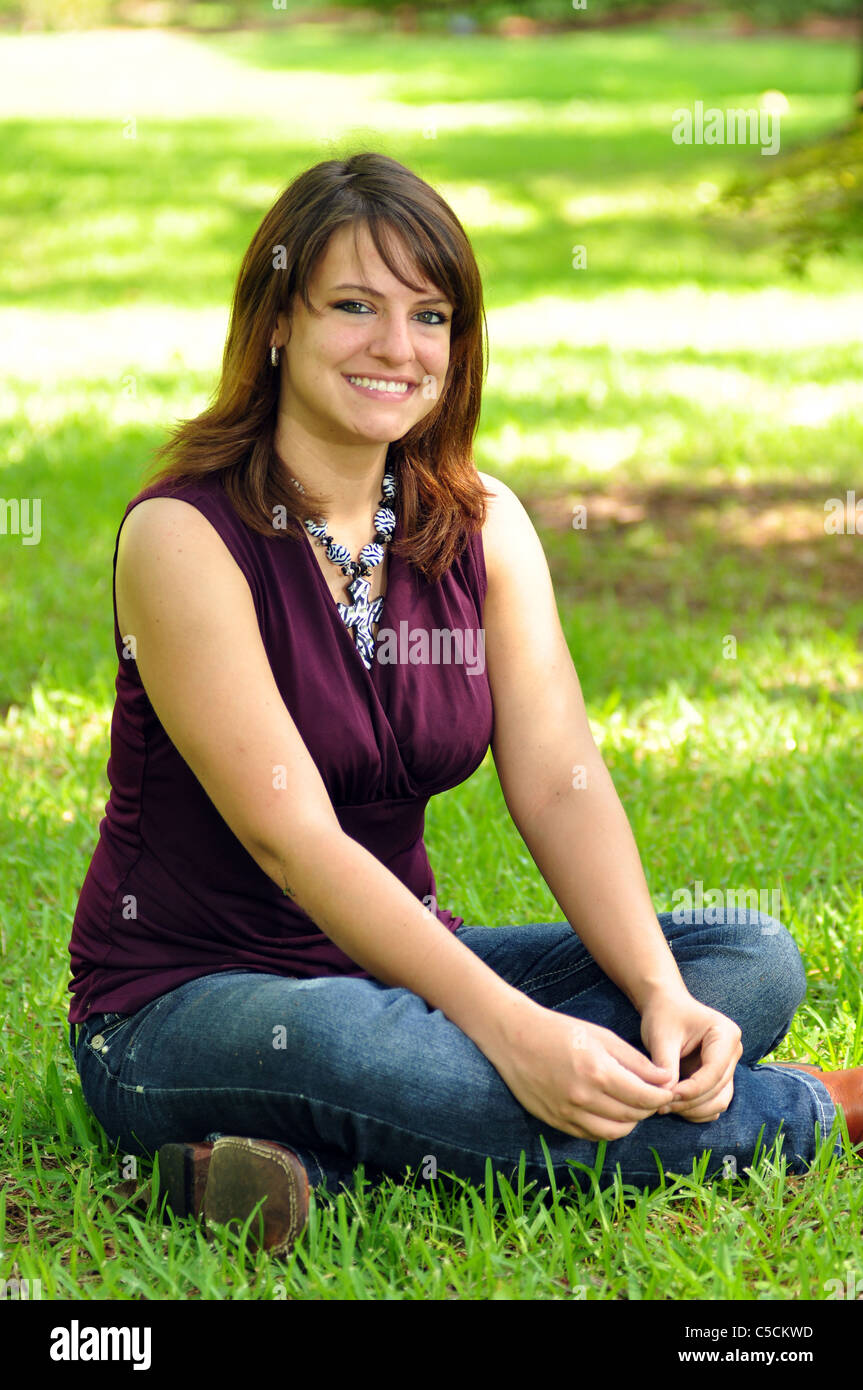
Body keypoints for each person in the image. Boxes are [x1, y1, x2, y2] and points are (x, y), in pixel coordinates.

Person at [67, 151, 861, 1257]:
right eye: (354, 306)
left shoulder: (480, 524)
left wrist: (652, 990)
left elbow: (557, 781)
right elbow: (290, 839)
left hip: (397, 966)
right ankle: (813, 1108)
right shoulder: (184, 535)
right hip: (183, 1004)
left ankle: (308, 1169)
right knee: (379, 1048)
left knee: (743, 957)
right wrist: (514, 1030)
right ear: (278, 322)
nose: (396, 348)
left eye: (428, 315)